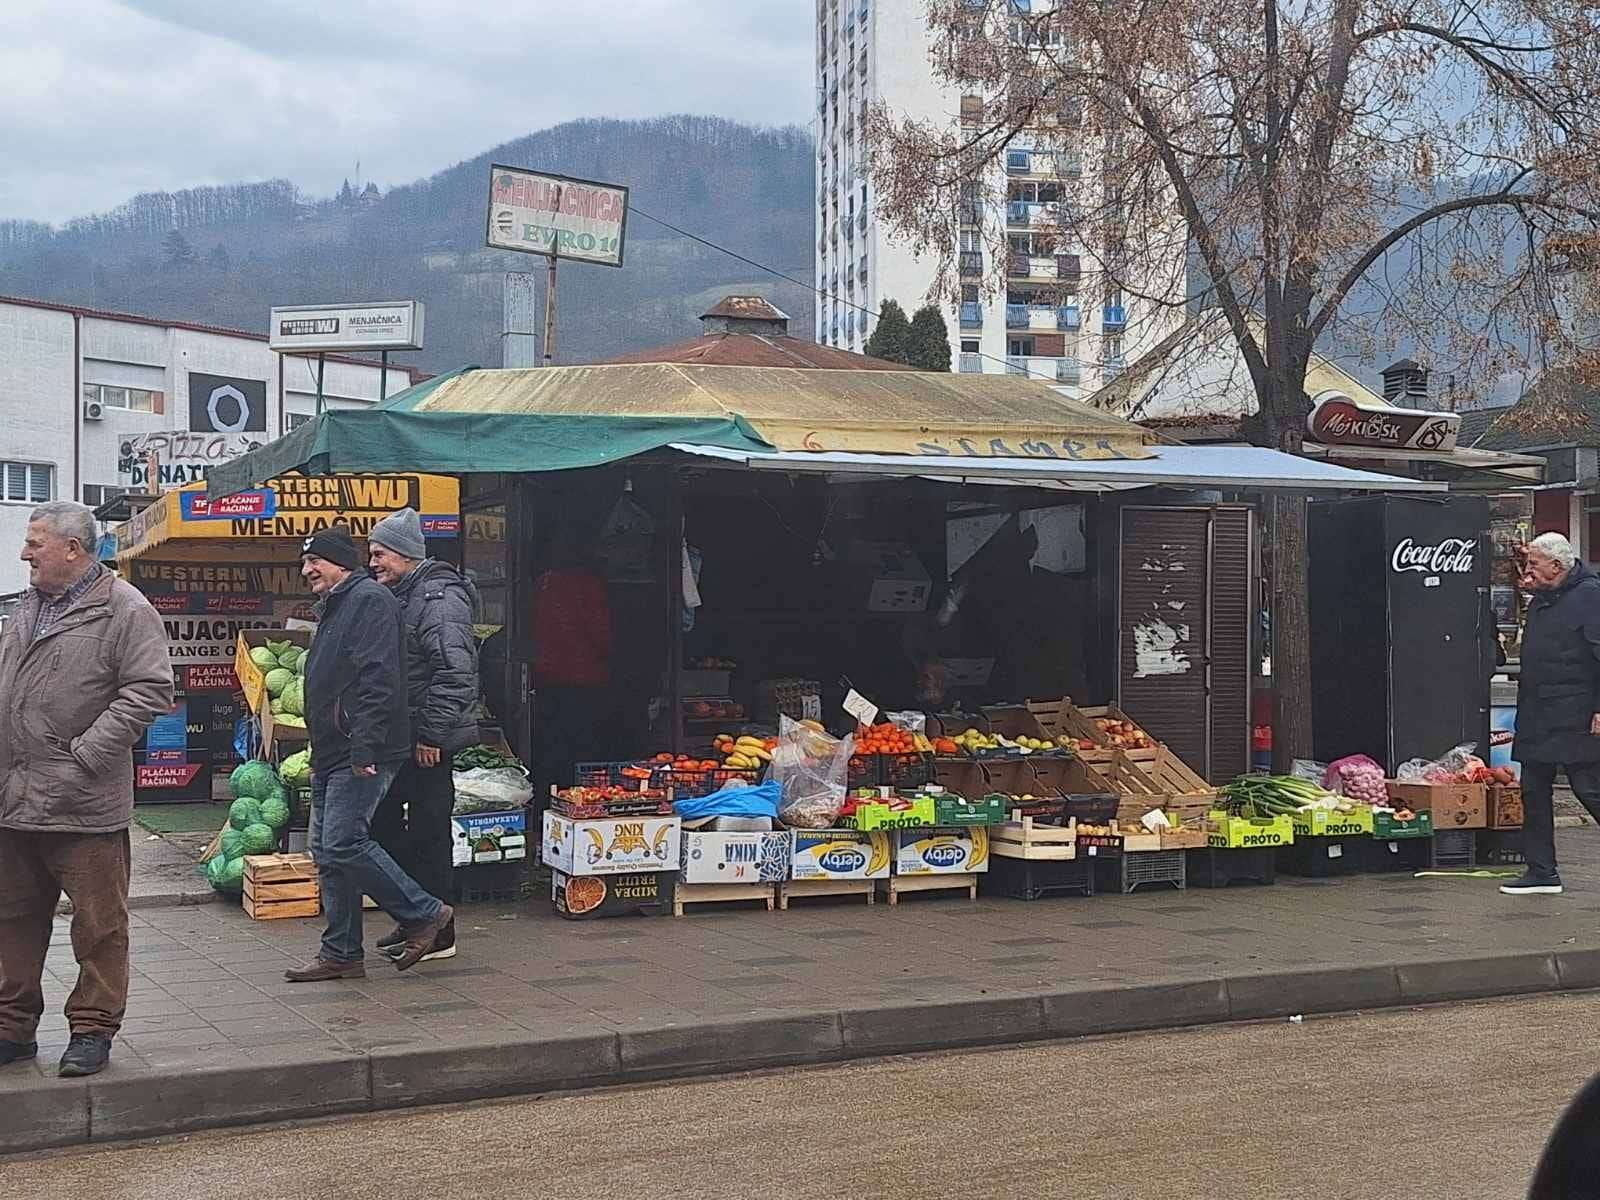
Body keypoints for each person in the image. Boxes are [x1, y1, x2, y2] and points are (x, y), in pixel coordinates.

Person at [0, 501, 173, 1077]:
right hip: (16, 798)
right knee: (13, 918)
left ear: (73, 549)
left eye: (35, 542)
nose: (25, 553)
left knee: (99, 926)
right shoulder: (29, 606)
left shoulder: (125, 609)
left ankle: (93, 1029)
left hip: (83, 801)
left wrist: (86, 755)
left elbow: (149, 690)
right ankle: (12, 1030)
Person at [287, 525, 453, 980]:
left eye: (314, 562)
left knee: (344, 842)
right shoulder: (341, 603)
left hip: (361, 748)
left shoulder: (369, 601)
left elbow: (379, 679)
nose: (307, 571)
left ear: (340, 562)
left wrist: (364, 746)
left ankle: (424, 913)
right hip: (333, 747)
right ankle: (340, 951)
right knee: (326, 850)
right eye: (306, 562)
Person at [366, 507, 480, 964]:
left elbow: (455, 673)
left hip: (429, 741)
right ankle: (416, 917)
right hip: (406, 737)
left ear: (404, 553)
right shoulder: (406, 593)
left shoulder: (438, 599)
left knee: (429, 833)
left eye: (379, 554)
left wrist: (430, 735)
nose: (372, 562)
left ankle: (439, 931)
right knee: (388, 826)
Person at [1503, 531, 1600, 896]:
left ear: (1557, 566)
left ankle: (1543, 869)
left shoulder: (1590, 596)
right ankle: (1542, 871)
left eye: (1535, 565)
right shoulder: (1543, 598)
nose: (1529, 571)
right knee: (1533, 789)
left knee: (1589, 787)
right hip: (1537, 711)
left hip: (1574, 711)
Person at [530, 534, 613, 802]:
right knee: (583, 747)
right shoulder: (589, 586)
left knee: (551, 745)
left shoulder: (542, 583)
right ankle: (581, 800)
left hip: (546, 677)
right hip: (585, 678)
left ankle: (548, 799)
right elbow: (601, 634)